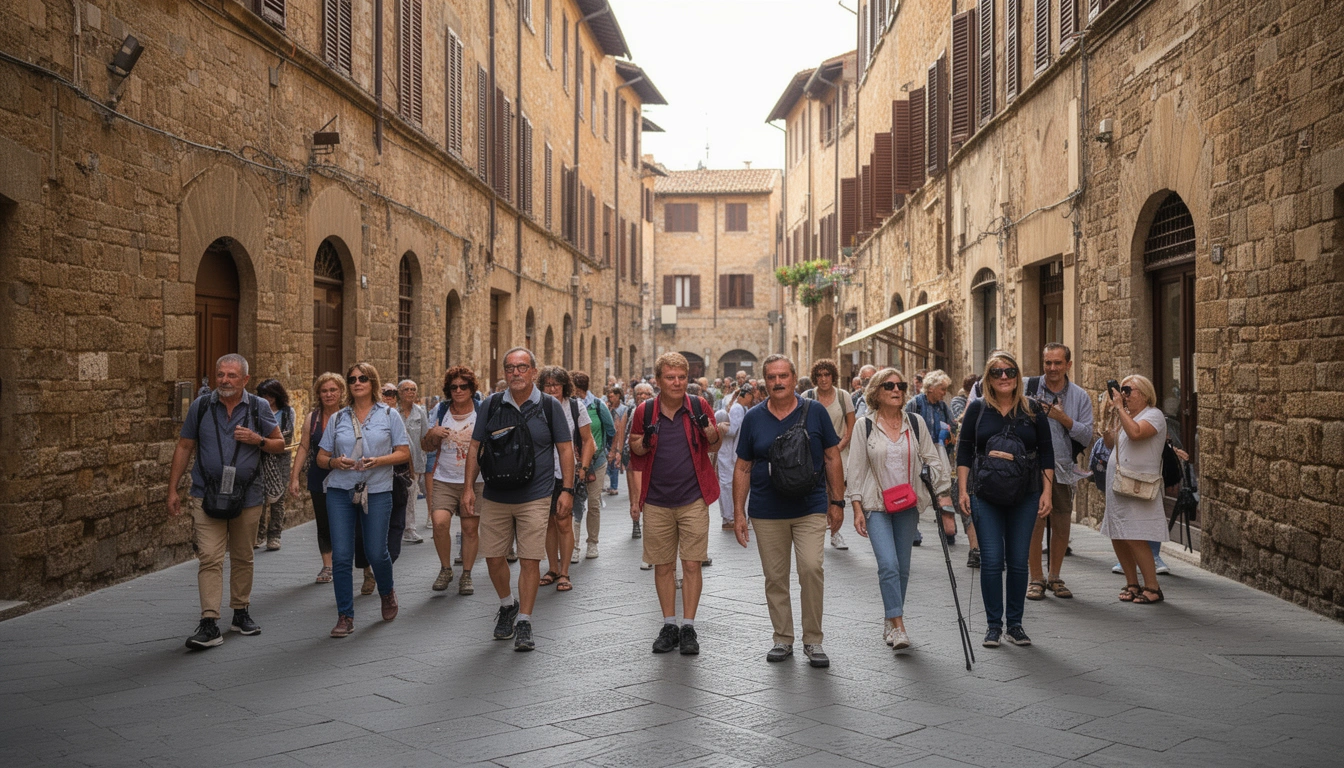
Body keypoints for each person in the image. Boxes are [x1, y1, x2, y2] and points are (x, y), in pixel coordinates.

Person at [732, 355, 844, 668]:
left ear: (794, 379)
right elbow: (742, 467)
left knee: (811, 568)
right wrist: (738, 514)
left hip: (810, 505)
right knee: (775, 577)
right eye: (771, 377)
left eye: (783, 376)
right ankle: (783, 637)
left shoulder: (816, 412)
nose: (778, 382)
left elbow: (832, 457)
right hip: (767, 509)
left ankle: (813, 640)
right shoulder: (754, 418)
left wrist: (838, 502)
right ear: (763, 382)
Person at [168, 354, 283, 649]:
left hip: (249, 495)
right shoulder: (202, 405)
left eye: (232, 375)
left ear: (245, 379)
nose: (225, 381)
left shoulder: (258, 407)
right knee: (209, 556)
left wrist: (256, 439)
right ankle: (209, 621)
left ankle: (240, 612)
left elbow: (279, 444)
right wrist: (172, 490)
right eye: (221, 375)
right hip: (205, 493)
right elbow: (184, 446)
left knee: (243, 555)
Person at [462, 348, 574, 651]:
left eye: (522, 367)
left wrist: (567, 489)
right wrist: (468, 488)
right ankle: (507, 604)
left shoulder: (550, 407)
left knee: (529, 559)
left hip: (536, 495)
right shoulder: (491, 404)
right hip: (496, 494)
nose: (515, 373)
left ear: (533, 372)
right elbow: (475, 447)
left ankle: (524, 620)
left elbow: (566, 449)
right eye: (510, 368)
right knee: (494, 557)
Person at [847, 368, 950, 651]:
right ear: (876, 392)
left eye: (901, 385)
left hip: (907, 505)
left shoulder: (915, 423)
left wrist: (934, 482)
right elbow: (855, 470)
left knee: (903, 569)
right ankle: (900, 627)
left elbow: (934, 460)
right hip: (876, 505)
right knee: (888, 565)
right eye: (889, 385)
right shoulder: (864, 426)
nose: (897, 390)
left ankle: (890, 619)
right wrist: (857, 509)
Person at [956, 351, 1054, 648]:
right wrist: (963, 490)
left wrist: (1047, 492)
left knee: (1018, 561)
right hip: (986, 495)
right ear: (988, 377)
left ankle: (1015, 624)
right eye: (997, 372)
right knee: (992, 561)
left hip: (1025, 494)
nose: (1003, 377)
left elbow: (1048, 453)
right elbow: (964, 451)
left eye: (1010, 372)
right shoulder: (977, 410)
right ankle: (993, 626)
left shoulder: (1033, 410)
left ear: (1017, 377)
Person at [629, 352, 721, 655]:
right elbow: (635, 450)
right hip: (656, 500)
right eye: (670, 377)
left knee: (692, 563)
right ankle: (669, 624)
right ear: (658, 381)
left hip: (693, 497)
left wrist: (712, 433)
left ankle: (689, 626)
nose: (677, 382)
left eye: (682, 377)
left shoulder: (698, 406)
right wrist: (640, 445)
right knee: (663, 565)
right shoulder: (644, 411)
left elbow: (714, 442)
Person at [316, 363, 411, 637]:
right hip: (340, 490)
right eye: (353, 379)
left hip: (378, 489)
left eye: (363, 378)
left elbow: (403, 453)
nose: (357, 382)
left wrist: (378, 461)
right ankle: (345, 615)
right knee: (342, 556)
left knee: (375, 551)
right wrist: (334, 461)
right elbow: (321, 457)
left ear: (373, 383)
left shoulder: (389, 415)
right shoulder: (338, 418)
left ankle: (386, 591)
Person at [1024, 344, 1094, 601]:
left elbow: (1087, 435)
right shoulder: (1027, 387)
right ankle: (1036, 578)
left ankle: (1055, 576)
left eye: (1057, 363)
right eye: (1048, 363)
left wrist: (1063, 418)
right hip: (1031, 465)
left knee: (1062, 521)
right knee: (1035, 522)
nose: (1052, 368)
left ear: (1068, 365)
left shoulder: (1080, 396)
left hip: (1063, 466)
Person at [1102, 374, 1169, 605]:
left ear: (1145, 393)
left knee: (1135, 536)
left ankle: (1152, 586)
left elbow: (1137, 434)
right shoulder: (1126, 415)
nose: (1124, 395)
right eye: (1122, 390)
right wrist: (1109, 418)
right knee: (1119, 535)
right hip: (1118, 484)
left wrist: (1120, 408)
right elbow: (1110, 444)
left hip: (1138, 486)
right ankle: (1132, 583)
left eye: (1128, 390)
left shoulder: (1154, 415)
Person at [422, 366, 484, 596]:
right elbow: (425, 446)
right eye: (453, 387)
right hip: (444, 477)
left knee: (469, 529)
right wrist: (433, 434)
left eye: (463, 386)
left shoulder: (481, 410)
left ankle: (466, 574)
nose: (458, 390)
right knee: (439, 522)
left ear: (471, 388)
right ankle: (445, 568)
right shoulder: (440, 410)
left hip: (476, 480)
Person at [906, 370, 976, 555]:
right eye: (942, 389)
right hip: (918, 455)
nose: (944, 392)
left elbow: (952, 424)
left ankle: (948, 530)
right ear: (931, 388)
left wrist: (949, 432)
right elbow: (907, 426)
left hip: (940, 455)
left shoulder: (942, 407)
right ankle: (913, 530)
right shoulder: (915, 404)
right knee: (916, 491)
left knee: (943, 488)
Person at [538, 367, 594, 593]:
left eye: (556, 385)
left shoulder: (574, 407)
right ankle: (552, 568)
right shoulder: (537, 406)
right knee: (548, 523)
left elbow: (588, 440)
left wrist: (584, 468)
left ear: (564, 386)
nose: (552, 389)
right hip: (542, 473)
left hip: (566, 472)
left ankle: (564, 572)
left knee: (563, 520)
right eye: (548, 385)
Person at [289, 372, 345, 584]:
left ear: (341, 392)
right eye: (324, 391)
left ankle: (346, 560)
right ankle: (328, 565)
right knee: (323, 522)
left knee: (347, 520)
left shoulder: (349, 415)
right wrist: (294, 477)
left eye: (333, 390)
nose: (329, 394)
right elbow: (304, 447)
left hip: (345, 475)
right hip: (319, 477)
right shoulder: (313, 419)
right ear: (318, 394)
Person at [803, 359, 857, 551]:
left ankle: (835, 533)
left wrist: (838, 448)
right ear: (815, 378)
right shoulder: (807, 396)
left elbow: (851, 427)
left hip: (839, 452)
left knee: (836, 492)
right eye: (820, 375)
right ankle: (817, 531)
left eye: (827, 375)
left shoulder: (843, 397)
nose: (824, 379)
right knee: (818, 492)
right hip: (813, 454)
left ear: (833, 376)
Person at [572, 371, 615, 559]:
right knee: (575, 504)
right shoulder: (568, 406)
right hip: (573, 463)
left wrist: (607, 449)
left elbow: (611, 429)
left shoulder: (598, 405)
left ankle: (592, 543)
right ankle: (573, 547)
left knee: (594, 503)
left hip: (597, 462)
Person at [254, 378, 295, 552]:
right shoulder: (257, 410)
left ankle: (275, 535)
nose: (267, 398)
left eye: (270, 394)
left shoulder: (287, 412)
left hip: (280, 459)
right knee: (260, 497)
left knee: (278, 499)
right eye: (264, 395)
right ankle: (258, 535)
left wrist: (263, 440)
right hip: (260, 458)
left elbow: (286, 434)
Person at [715, 384, 755, 530]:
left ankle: (732, 516)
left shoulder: (741, 408)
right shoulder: (738, 408)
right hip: (729, 452)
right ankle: (729, 517)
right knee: (728, 484)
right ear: (747, 395)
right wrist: (722, 426)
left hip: (732, 451)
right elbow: (733, 431)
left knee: (732, 484)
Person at [397, 380, 429, 545]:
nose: (410, 392)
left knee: (411, 496)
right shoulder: (393, 412)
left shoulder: (420, 412)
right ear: (400, 392)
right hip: (396, 462)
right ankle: (397, 527)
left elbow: (425, 437)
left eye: (413, 389)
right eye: (406, 389)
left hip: (415, 461)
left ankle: (409, 529)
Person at [628, 382, 656, 566]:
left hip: (655, 463)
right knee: (638, 498)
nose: (643, 396)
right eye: (640, 393)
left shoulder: (655, 410)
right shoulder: (632, 411)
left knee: (653, 506)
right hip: (636, 459)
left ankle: (653, 551)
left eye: (647, 393)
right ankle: (636, 522)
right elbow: (627, 434)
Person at [605, 387, 627, 496]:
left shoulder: (623, 409)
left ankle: (614, 486)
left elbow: (622, 427)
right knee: (607, 460)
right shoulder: (607, 407)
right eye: (609, 396)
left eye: (612, 396)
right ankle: (610, 483)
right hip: (608, 437)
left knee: (614, 461)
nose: (610, 398)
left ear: (618, 396)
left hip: (617, 437)